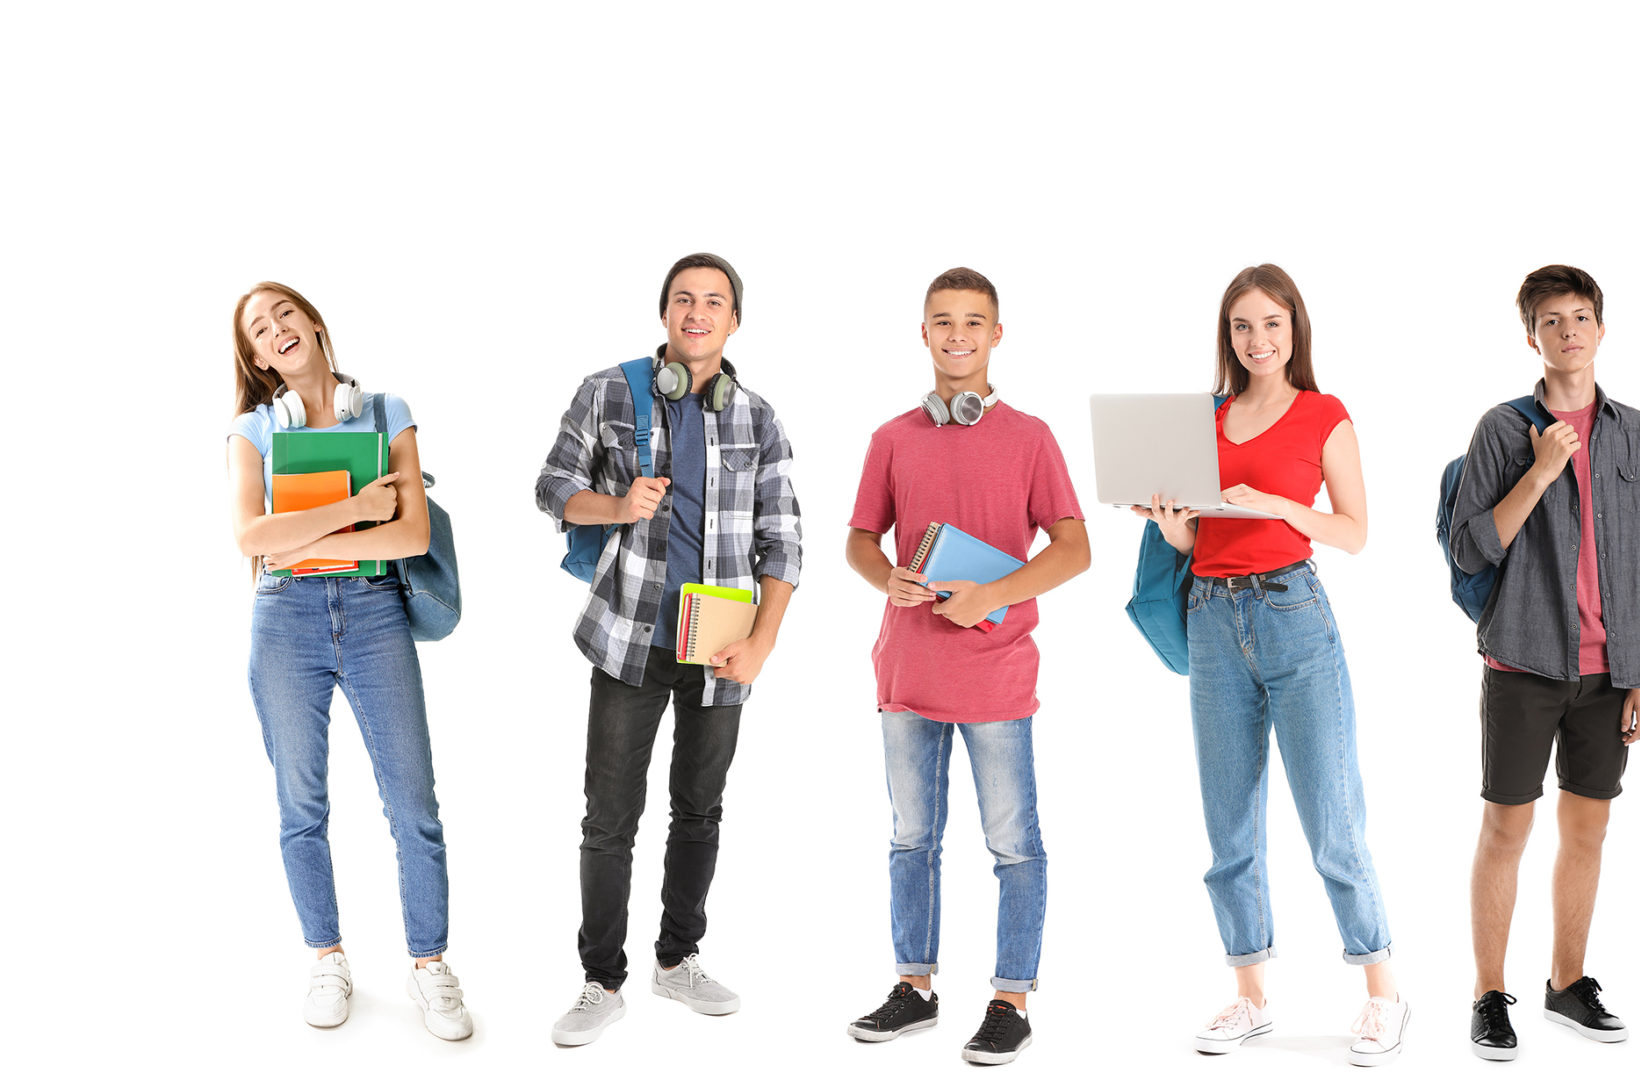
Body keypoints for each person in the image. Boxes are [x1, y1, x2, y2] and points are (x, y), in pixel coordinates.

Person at [1136, 264, 1404, 1066]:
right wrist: (1172, 526)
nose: (1258, 340)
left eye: (1272, 324)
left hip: (1294, 616)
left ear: (1296, 330)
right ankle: (1250, 994)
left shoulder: (1325, 413)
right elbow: (1197, 544)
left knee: (1332, 817)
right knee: (1229, 824)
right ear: (1229, 336)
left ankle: (1382, 992)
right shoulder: (1206, 418)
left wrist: (1280, 504)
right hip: (1213, 618)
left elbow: (1354, 531)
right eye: (1243, 327)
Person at [535, 253, 802, 1047]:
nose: (698, 312)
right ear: (664, 314)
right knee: (609, 818)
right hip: (629, 636)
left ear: (733, 321)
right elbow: (551, 487)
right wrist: (616, 505)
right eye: (684, 299)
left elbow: (783, 541)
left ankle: (677, 958)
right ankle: (600, 980)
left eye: (714, 302)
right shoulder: (609, 390)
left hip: (721, 649)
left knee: (700, 809)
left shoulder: (758, 417)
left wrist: (763, 643)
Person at [844, 267, 1088, 1066]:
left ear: (996, 335)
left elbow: (1074, 549)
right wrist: (889, 579)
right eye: (942, 321)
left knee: (1013, 843)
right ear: (922, 333)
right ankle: (913, 990)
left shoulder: (1031, 437)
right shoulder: (890, 439)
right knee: (912, 838)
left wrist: (994, 593)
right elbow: (859, 540)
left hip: (996, 674)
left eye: (973, 322)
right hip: (907, 671)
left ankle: (1011, 999)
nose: (957, 335)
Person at [226, 282, 472, 1039]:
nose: (276, 331)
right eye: (260, 331)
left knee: (414, 805)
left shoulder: (388, 411)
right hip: (284, 623)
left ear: (312, 320)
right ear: (259, 359)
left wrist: (298, 536)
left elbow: (411, 537)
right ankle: (327, 957)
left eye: (283, 314)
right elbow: (249, 539)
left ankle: (430, 965)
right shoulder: (255, 429)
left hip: (374, 615)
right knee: (301, 807)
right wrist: (354, 510)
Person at [1450, 265, 1640, 1059]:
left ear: (1600, 331)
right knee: (1506, 827)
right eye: (1550, 320)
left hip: (1609, 674)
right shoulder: (1504, 431)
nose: (1568, 331)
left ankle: (1566, 984)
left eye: (1580, 317)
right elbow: (1474, 543)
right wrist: (1540, 470)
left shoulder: (1639, 434)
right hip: (1523, 662)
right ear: (1531, 337)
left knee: (1589, 827)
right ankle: (1488, 994)